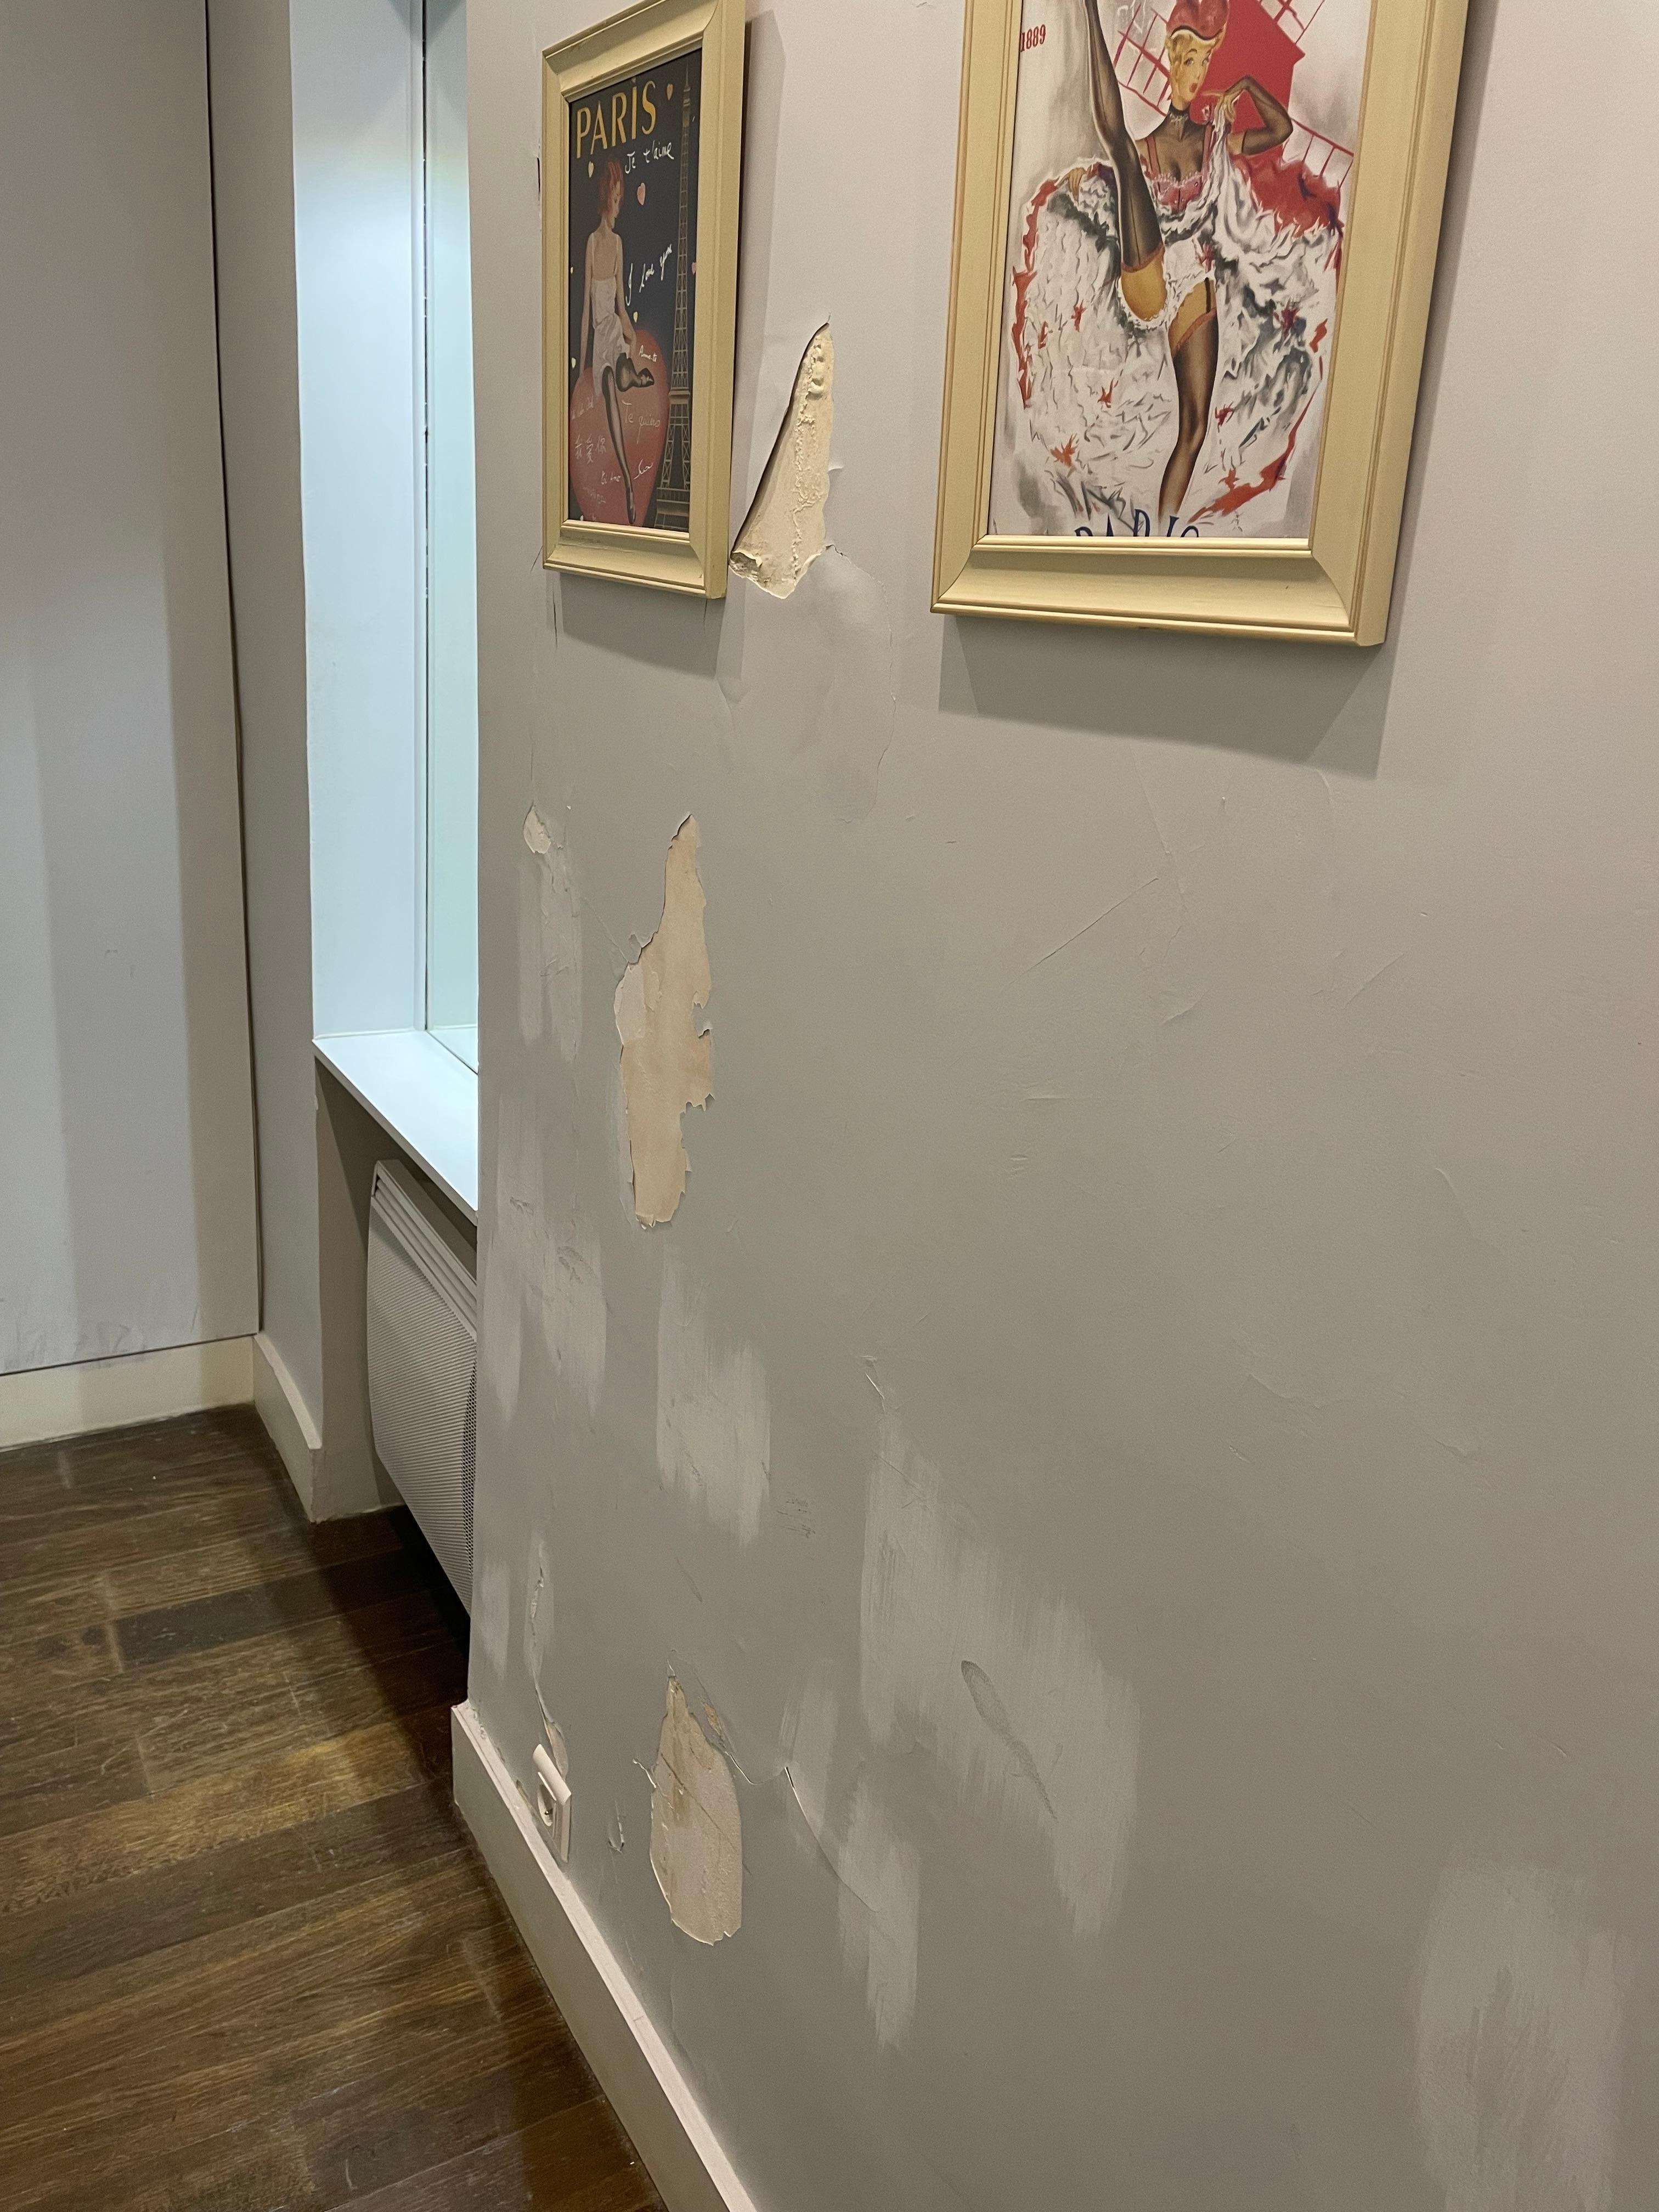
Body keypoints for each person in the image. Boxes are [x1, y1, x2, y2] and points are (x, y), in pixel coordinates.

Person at [1076, 0, 1290, 526]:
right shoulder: (1146, 148)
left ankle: (1162, 535)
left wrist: (1246, 84)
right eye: (1190, 60)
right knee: (1124, 156)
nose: (1197, 74)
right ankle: (1088, 10)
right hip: (1148, 274)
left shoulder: (1215, 140)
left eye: (1205, 62)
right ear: (1172, 60)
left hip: (1194, 279)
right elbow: (1114, 150)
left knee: (1194, 429)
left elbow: (1280, 129)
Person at [577, 155, 654, 525]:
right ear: (606, 196)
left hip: (614, 331)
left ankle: (631, 372)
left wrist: (632, 336)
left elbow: (622, 304)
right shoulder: (593, 244)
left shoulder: (620, 244)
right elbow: (585, 311)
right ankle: (627, 482)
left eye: (622, 198)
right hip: (600, 337)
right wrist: (581, 366)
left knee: (619, 376)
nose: (619, 205)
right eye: (617, 197)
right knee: (610, 390)